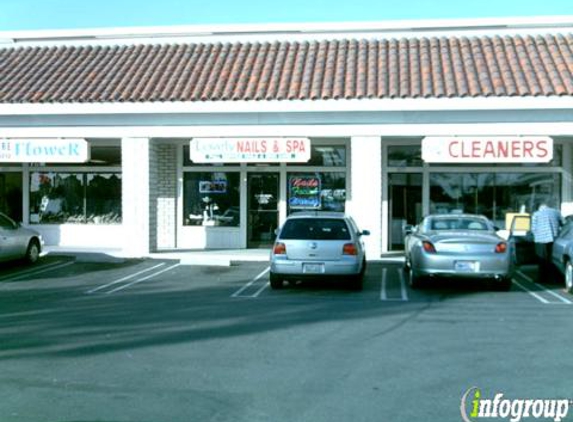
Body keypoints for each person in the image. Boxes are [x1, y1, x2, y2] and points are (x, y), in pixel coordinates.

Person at [530, 202, 563, 282]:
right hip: (554, 238)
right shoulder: (556, 212)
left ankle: (542, 278)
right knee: (553, 259)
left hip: (541, 240)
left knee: (542, 260)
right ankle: (556, 278)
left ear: (540, 207)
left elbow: (533, 229)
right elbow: (562, 223)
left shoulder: (536, 214)